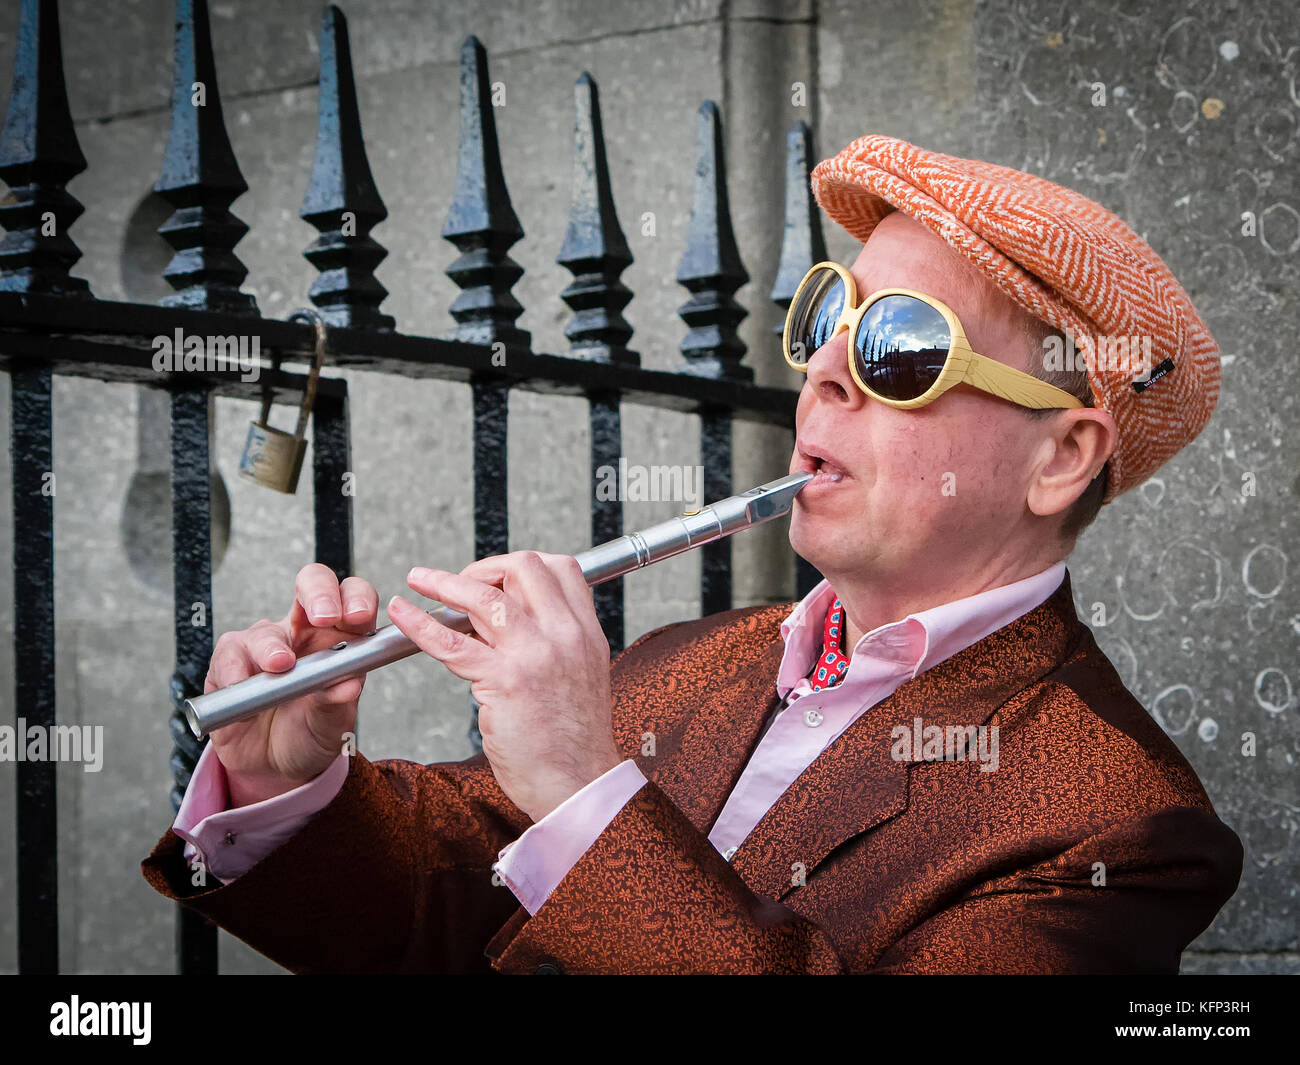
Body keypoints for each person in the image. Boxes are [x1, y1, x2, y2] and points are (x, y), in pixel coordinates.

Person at [142, 134, 1242, 973]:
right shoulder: (694, 656)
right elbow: (453, 908)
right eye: (825, 320)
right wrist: (288, 781)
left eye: (897, 345)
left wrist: (582, 789)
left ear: (1059, 457)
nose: (825, 374)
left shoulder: (1120, 821)